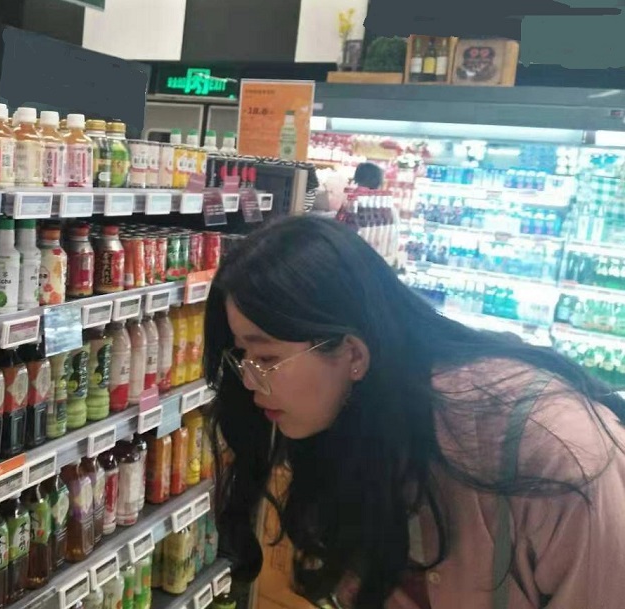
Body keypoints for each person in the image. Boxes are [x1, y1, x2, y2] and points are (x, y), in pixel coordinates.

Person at [204, 216, 625, 609]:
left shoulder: (549, 453)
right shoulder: (347, 428)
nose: (249, 381)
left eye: (266, 357)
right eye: (243, 357)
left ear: (353, 354)